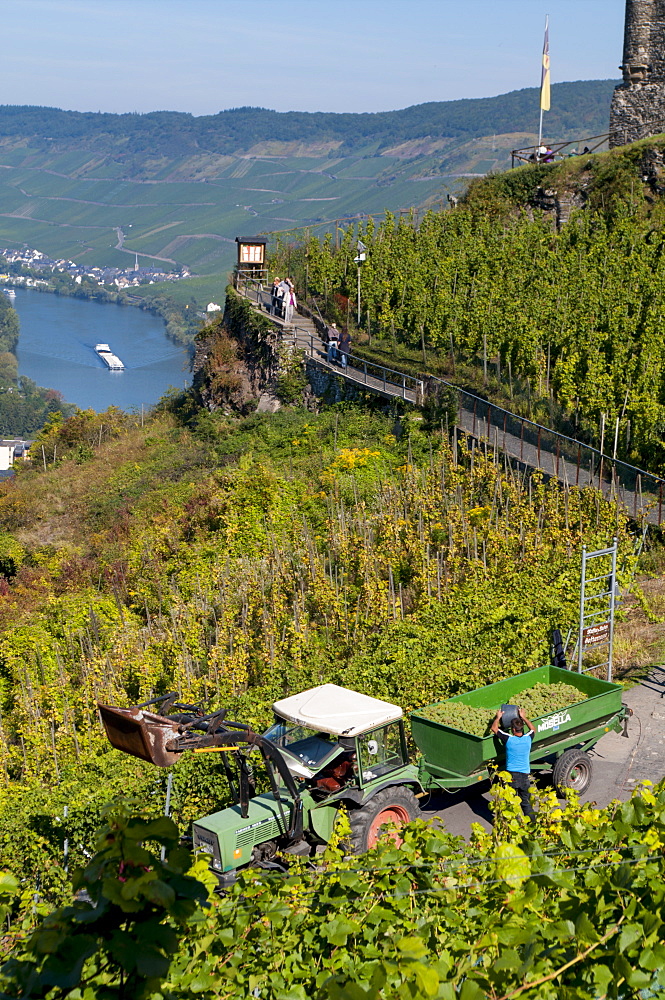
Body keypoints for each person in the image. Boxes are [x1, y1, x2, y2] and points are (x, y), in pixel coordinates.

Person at [491, 707, 536, 820]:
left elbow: (494, 728)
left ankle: (512, 824)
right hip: (525, 777)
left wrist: (498, 717)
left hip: (511, 776)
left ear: (513, 730)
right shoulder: (528, 739)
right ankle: (533, 824)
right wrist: (524, 717)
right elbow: (533, 729)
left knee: (510, 802)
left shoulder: (509, 739)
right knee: (525, 803)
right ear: (521, 728)